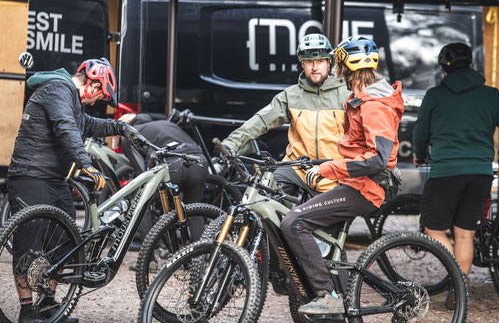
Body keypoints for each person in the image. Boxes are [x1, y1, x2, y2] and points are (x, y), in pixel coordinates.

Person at [7, 58, 138, 323]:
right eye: (100, 94)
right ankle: (26, 311)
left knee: (63, 243)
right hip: (31, 176)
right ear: (90, 81)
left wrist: (119, 127)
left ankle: (48, 305)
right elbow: (65, 128)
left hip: (55, 180)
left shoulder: (73, 100)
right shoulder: (57, 89)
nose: (97, 100)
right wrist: (87, 166)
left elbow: (86, 124)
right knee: (28, 245)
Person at [281, 36, 405, 315]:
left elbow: (377, 159)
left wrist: (329, 169)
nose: (336, 71)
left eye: (338, 65)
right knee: (325, 245)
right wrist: (322, 163)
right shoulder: (361, 99)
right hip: (356, 183)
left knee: (294, 222)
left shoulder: (374, 104)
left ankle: (328, 295)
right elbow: (356, 152)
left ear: (347, 67)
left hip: (367, 189)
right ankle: (335, 302)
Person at [412, 42, 499, 307]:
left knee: (433, 227)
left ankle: (458, 280)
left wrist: (419, 153)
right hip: (480, 172)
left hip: (446, 171)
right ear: (470, 64)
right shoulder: (490, 95)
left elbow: (420, 131)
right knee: (465, 234)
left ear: (443, 67)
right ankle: (460, 288)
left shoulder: (435, 95)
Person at [220, 33, 349, 197]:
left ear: (329, 62)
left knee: (309, 221)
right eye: (309, 62)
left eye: (320, 61)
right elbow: (261, 120)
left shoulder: (346, 94)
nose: (315, 67)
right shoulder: (291, 95)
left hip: (332, 172)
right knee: (261, 197)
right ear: (302, 63)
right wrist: (231, 143)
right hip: (295, 168)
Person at [117, 113, 208, 244]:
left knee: (141, 201)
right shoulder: (165, 123)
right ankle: (201, 259)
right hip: (199, 162)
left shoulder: (130, 135)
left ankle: (149, 258)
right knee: (194, 208)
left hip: (174, 166)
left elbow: (141, 172)